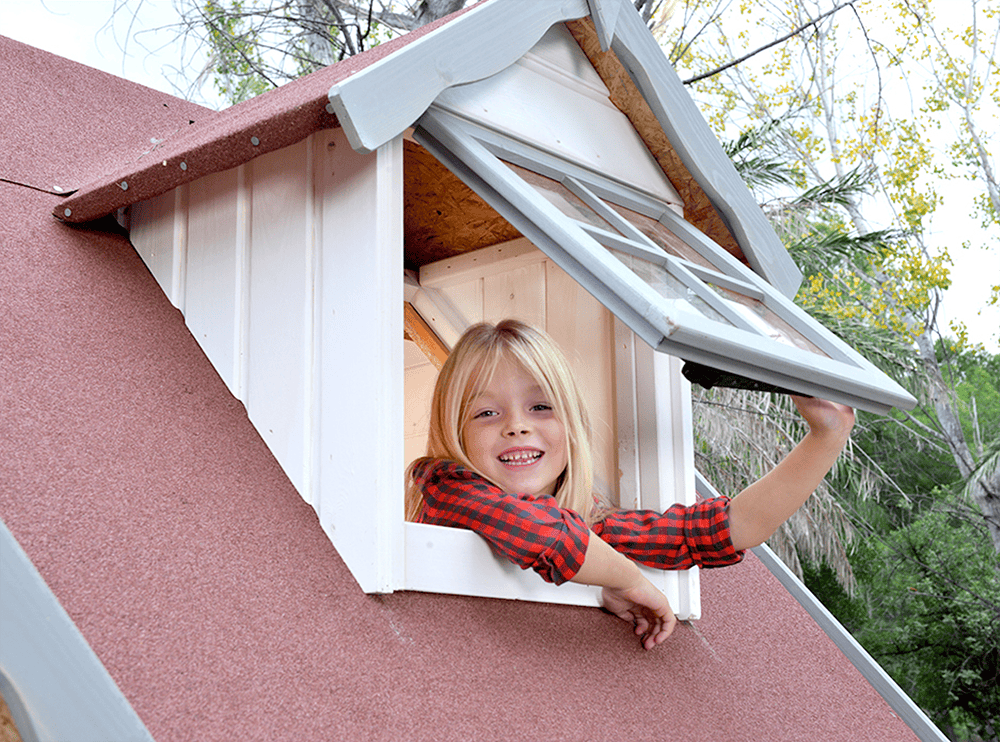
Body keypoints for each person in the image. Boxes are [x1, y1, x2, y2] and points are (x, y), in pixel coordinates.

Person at [406, 320, 855, 650]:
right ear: (453, 429)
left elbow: (717, 530)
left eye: (541, 406)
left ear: (571, 424)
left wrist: (826, 436)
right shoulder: (445, 487)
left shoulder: (588, 525)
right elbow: (540, 534)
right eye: (486, 413)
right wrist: (627, 579)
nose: (517, 427)